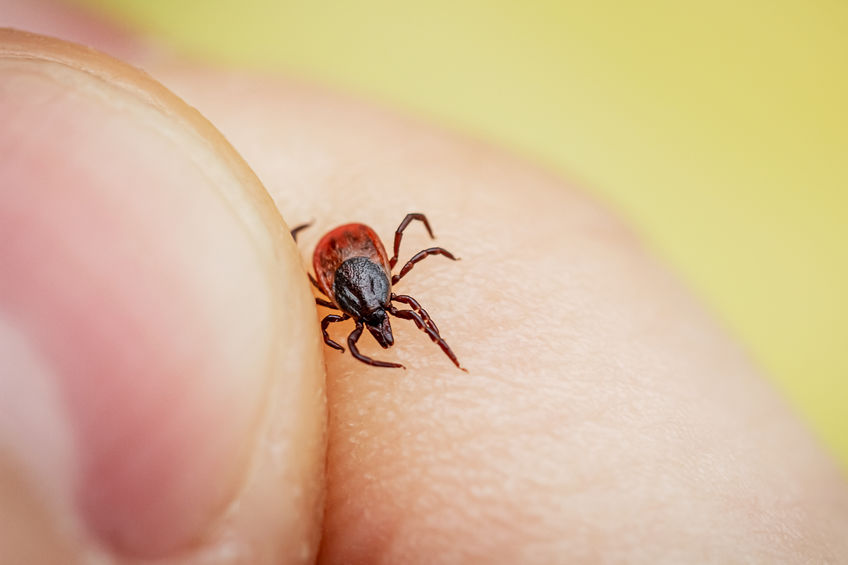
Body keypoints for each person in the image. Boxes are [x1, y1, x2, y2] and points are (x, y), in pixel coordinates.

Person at [1, 2, 846, 563]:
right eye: (375, 323)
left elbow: (370, 261)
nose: (377, 324)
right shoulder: (354, 289)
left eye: (378, 321)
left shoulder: (360, 291)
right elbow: (373, 258)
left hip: (339, 242)